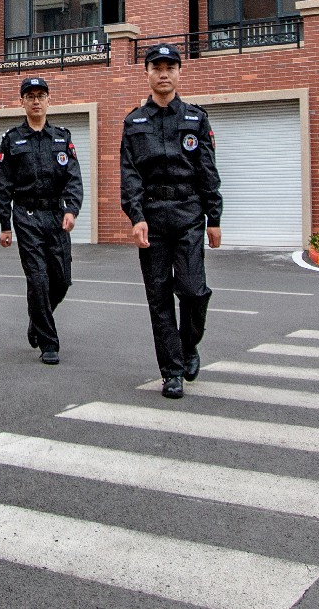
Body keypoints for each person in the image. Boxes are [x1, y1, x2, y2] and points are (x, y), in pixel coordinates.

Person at [119, 43, 222, 399]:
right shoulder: (134, 122)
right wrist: (136, 217)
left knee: (194, 290)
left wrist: (214, 217)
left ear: (179, 72)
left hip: (188, 213)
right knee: (159, 297)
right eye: (157, 68)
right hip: (152, 217)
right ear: (147, 73)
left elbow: (207, 170)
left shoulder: (196, 118)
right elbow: (130, 174)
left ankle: (188, 345)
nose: (164, 74)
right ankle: (172, 372)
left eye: (170, 68)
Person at [0, 76, 83, 365]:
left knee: (62, 280)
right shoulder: (12, 139)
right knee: (38, 278)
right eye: (30, 96)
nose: (36, 101)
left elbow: (73, 178)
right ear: (22, 102)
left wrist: (71, 210)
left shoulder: (61, 137)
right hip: (27, 215)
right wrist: (5, 224)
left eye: (40, 96)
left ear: (48, 100)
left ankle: (37, 319)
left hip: (56, 215)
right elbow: (3, 185)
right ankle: (48, 342)